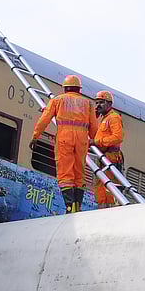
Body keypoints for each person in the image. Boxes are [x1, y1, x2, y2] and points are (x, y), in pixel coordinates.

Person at [32, 75, 100, 213]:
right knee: (79, 172)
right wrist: (95, 141)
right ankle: (77, 205)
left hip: (65, 138)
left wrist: (35, 136)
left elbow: (44, 119)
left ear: (65, 88)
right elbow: (94, 128)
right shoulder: (88, 104)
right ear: (79, 89)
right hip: (81, 139)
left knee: (65, 173)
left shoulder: (57, 100)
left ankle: (69, 206)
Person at [91, 91, 125, 209]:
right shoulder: (104, 118)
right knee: (100, 187)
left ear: (109, 104)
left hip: (111, 157)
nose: (98, 105)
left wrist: (96, 142)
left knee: (107, 188)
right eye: (97, 103)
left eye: (101, 102)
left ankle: (107, 211)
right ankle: (101, 209)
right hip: (104, 157)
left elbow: (118, 137)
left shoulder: (113, 117)